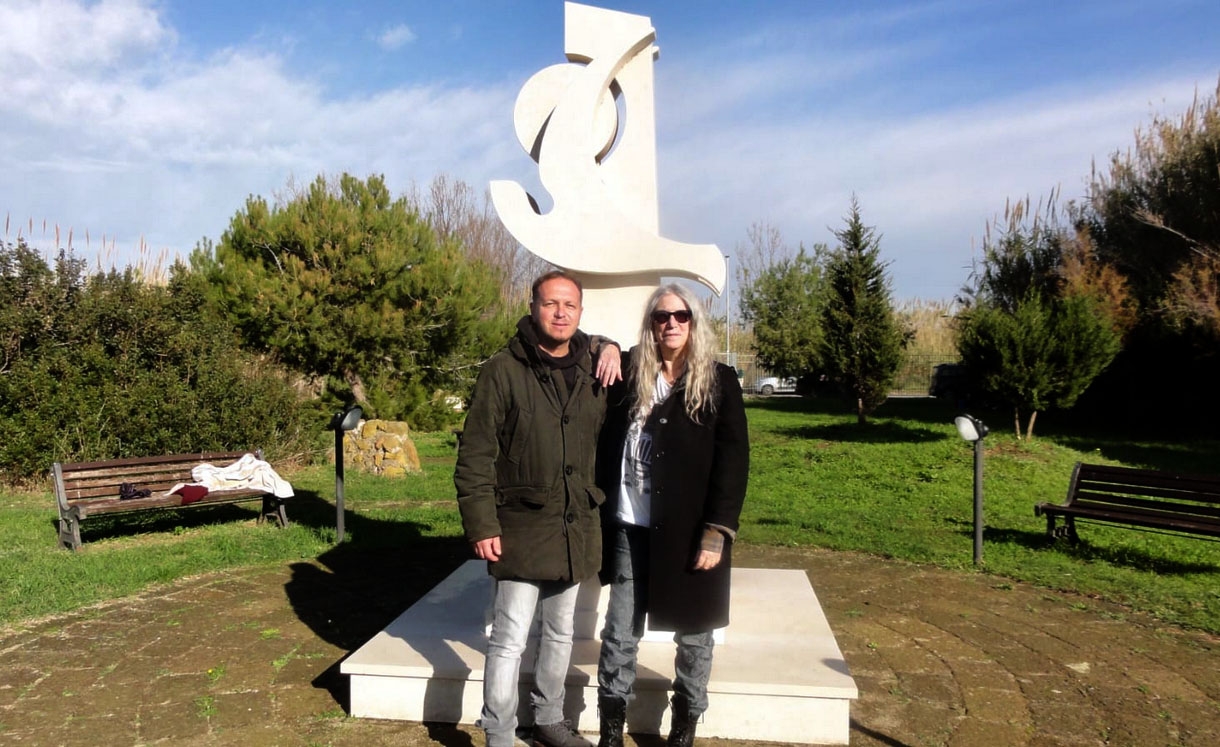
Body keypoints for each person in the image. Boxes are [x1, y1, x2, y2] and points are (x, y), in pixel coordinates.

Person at [456, 270, 621, 747]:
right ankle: (499, 732)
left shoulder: (594, 367)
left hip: (574, 528)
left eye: (569, 305)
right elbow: (475, 454)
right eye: (550, 303)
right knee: (509, 637)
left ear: (581, 312)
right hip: (521, 529)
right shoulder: (503, 370)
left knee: (560, 632)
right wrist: (481, 524)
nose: (560, 313)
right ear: (532, 307)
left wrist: (609, 344)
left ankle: (549, 719)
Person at [595, 283, 749, 747]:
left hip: (690, 530)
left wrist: (717, 531)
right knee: (620, 631)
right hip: (631, 525)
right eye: (661, 316)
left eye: (681, 316)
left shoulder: (718, 380)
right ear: (651, 324)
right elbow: (571, 339)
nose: (671, 324)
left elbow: (734, 460)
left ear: (694, 322)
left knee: (695, 633)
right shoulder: (630, 372)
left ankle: (684, 725)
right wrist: (604, 344)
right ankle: (611, 728)